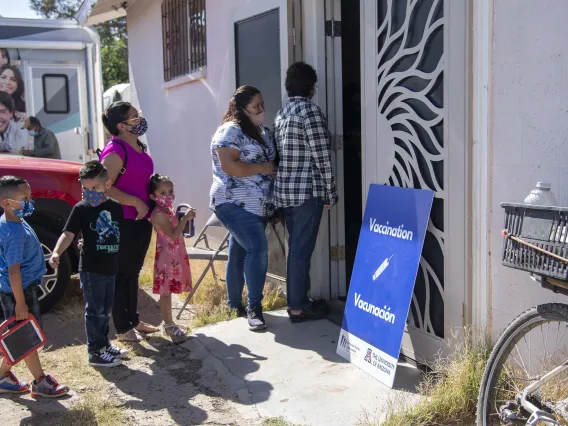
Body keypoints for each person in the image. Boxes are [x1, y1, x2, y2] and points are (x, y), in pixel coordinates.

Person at [273, 62, 339, 323]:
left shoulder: (282, 113)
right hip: (305, 193)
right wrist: (330, 193)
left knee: (296, 249)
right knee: (301, 249)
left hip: (285, 192)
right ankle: (299, 306)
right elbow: (321, 155)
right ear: (311, 87)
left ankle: (300, 300)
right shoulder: (310, 111)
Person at [210, 85, 277, 332]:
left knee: (239, 252)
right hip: (233, 202)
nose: (261, 109)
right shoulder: (230, 131)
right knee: (257, 247)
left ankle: (233, 305)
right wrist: (263, 168)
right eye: (255, 106)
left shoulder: (261, 132)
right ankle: (255, 308)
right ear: (242, 109)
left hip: (258, 205)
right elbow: (229, 166)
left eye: (261, 104)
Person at [49, 161, 128, 367]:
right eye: (86, 188)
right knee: (95, 311)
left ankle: (104, 344)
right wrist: (57, 251)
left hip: (111, 267)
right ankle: (95, 351)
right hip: (91, 270)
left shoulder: (115, 207)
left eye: (96, 188)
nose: (91, 192)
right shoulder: (81, 209)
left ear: (107, 184)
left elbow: (118, 235)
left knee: (105, 308)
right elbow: (68, 234)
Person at [0, 176, 69, 397]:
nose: (31, 201)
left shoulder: (12, 220)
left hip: (18, 290)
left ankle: (2, 375)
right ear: (6, 203)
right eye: (24, 198)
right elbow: (13, 271)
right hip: (17, 293)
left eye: (30, 196)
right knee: (25, 336)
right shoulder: (14, 232)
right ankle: (39, 382)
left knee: (22, 335)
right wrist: (20, 301)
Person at [99, 101, 159, 341]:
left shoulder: (139, 147)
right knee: (121, 274)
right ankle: (123, 328)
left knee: (132, 272)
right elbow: (102, 189)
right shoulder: (114, 152)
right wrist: (135, 202)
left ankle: (133, 320)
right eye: (134, 116)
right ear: (121, 125)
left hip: (141, 220)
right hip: (122, 221)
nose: (140, 119)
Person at [149, 173, 195, 339]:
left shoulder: (167, 210)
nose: (168, 196)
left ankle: (169, 322)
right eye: (163, 193)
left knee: (168, 291)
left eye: (170, 191)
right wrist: (185, 219)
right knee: (165, 292)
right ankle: (168, 324)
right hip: (167, 258)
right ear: (153, 196)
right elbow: (174, 234)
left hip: (174, 255)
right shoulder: (159, 214)